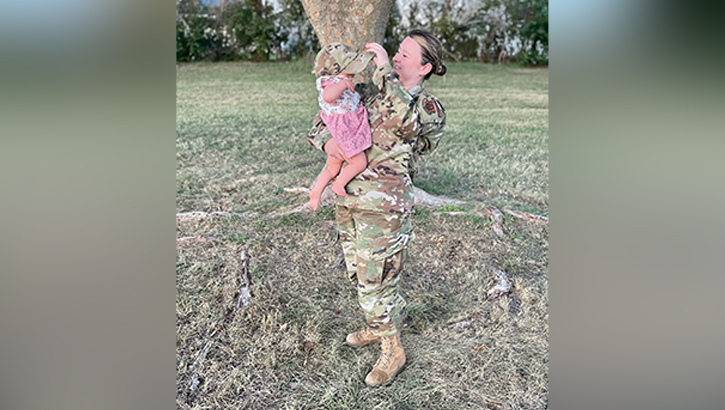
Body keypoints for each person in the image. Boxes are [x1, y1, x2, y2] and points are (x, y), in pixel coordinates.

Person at [307, 29, 447, 387]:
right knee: (359, 273)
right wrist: (328, 146)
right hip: (349, 198)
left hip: (384, 209)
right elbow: (322, 119)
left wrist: (384, 71)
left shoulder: (427, 108)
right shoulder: (368, 93)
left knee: (377, 280)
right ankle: (377, 325)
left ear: (425, 67)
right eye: (395, 52)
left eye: (403, 55)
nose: (395, 57)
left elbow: (405, 123)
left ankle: (392, 348)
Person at [309, 43, 374, 211]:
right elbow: (328, 96)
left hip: (340, 131)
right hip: (345, 131)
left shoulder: (342, 81)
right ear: (334, 71)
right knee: (359, 162)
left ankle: (316, 191)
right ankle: (339, 184)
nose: (353, 74)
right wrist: (343, 84)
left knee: (333, 167)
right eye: (349, 70)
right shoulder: (332, 83)